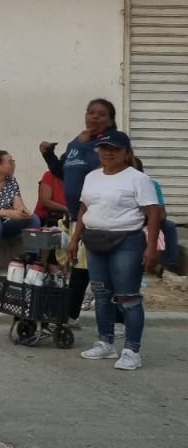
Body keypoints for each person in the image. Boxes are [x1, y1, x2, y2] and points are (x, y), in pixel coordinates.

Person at [69, 130, 161, 372]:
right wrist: (74, 239)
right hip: (95, 240)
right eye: (104, 148)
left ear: (126, 153)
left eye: (115, 149)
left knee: (128, 297)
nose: (108, 153)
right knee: (101, 293)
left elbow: (153, 214)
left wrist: (151, 248)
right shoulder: (92, 177)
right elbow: (84, 209)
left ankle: (132, 350)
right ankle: (106, 342)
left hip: (127, 241)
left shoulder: (138, 179)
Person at [40, 98, 117, 323]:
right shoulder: (77, 141)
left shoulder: (111, 144)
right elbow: (64, 172)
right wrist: (48, 154)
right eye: (90, 112)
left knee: (89, 270)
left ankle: (73, 315)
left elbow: (108, 171)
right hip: (77, 215)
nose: (94, 117)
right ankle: (71, 315)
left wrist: (84, 144)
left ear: (111, 120)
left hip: (100, 216)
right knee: (81, 268)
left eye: (101, 114)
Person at [127, 156, 181, 281]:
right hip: (127, 221)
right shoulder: (118, 185)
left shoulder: (151, 184)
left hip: (148, 220)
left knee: (169, 226)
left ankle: (169, 265)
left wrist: (151, 219)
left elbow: (161, 213)